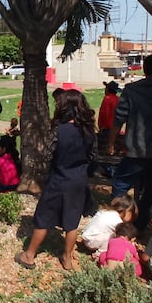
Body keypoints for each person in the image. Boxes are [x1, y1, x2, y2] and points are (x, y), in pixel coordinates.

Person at [15, 89, 97, 271]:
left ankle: (29, 255)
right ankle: (67, 258)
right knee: (72, 221)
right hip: (78, 181)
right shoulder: (89, 131)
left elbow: (46, 155)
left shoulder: (59, 131)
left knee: (44, 217)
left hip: (59, 179)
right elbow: (92, 156)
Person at [108, 53, 152, 228]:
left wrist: (111, 142)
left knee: (120, 183)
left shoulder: (131, 90)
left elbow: (119, 119)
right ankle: (140, 224)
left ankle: (119, 220)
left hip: (135, 149)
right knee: (150, 190)